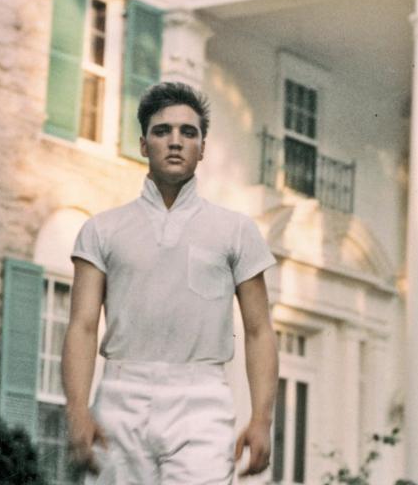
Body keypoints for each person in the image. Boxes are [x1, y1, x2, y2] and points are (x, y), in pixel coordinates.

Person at [62, 81, 278, 484]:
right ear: (144, 144)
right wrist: (77, 410)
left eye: (188, 132)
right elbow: (82, 326)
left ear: (203, 147)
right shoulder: (102, 230)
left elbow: (259, 330)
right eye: (162, 131)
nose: (175, 141)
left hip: (202, 400)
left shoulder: (235, 230)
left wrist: (262, 419)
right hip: (121, 395)